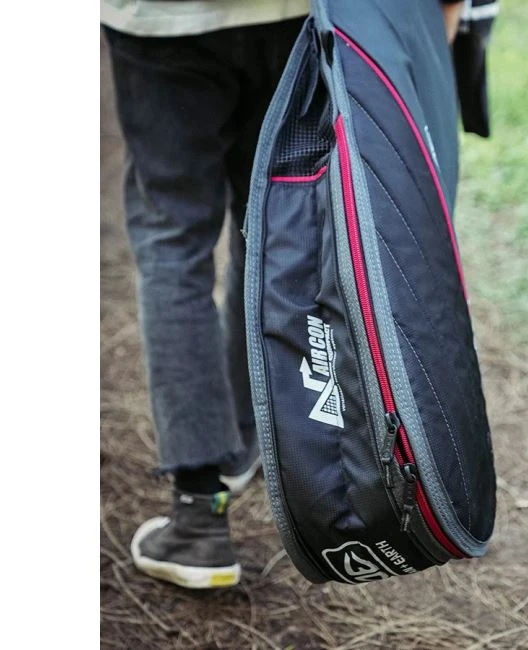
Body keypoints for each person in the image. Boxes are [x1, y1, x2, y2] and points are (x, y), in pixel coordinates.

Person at [102, 0, 466, 589]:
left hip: (161, 21)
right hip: (289, 14)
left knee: (172, 240)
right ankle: (247, 441)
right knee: (267, 219)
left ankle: (198, 517)